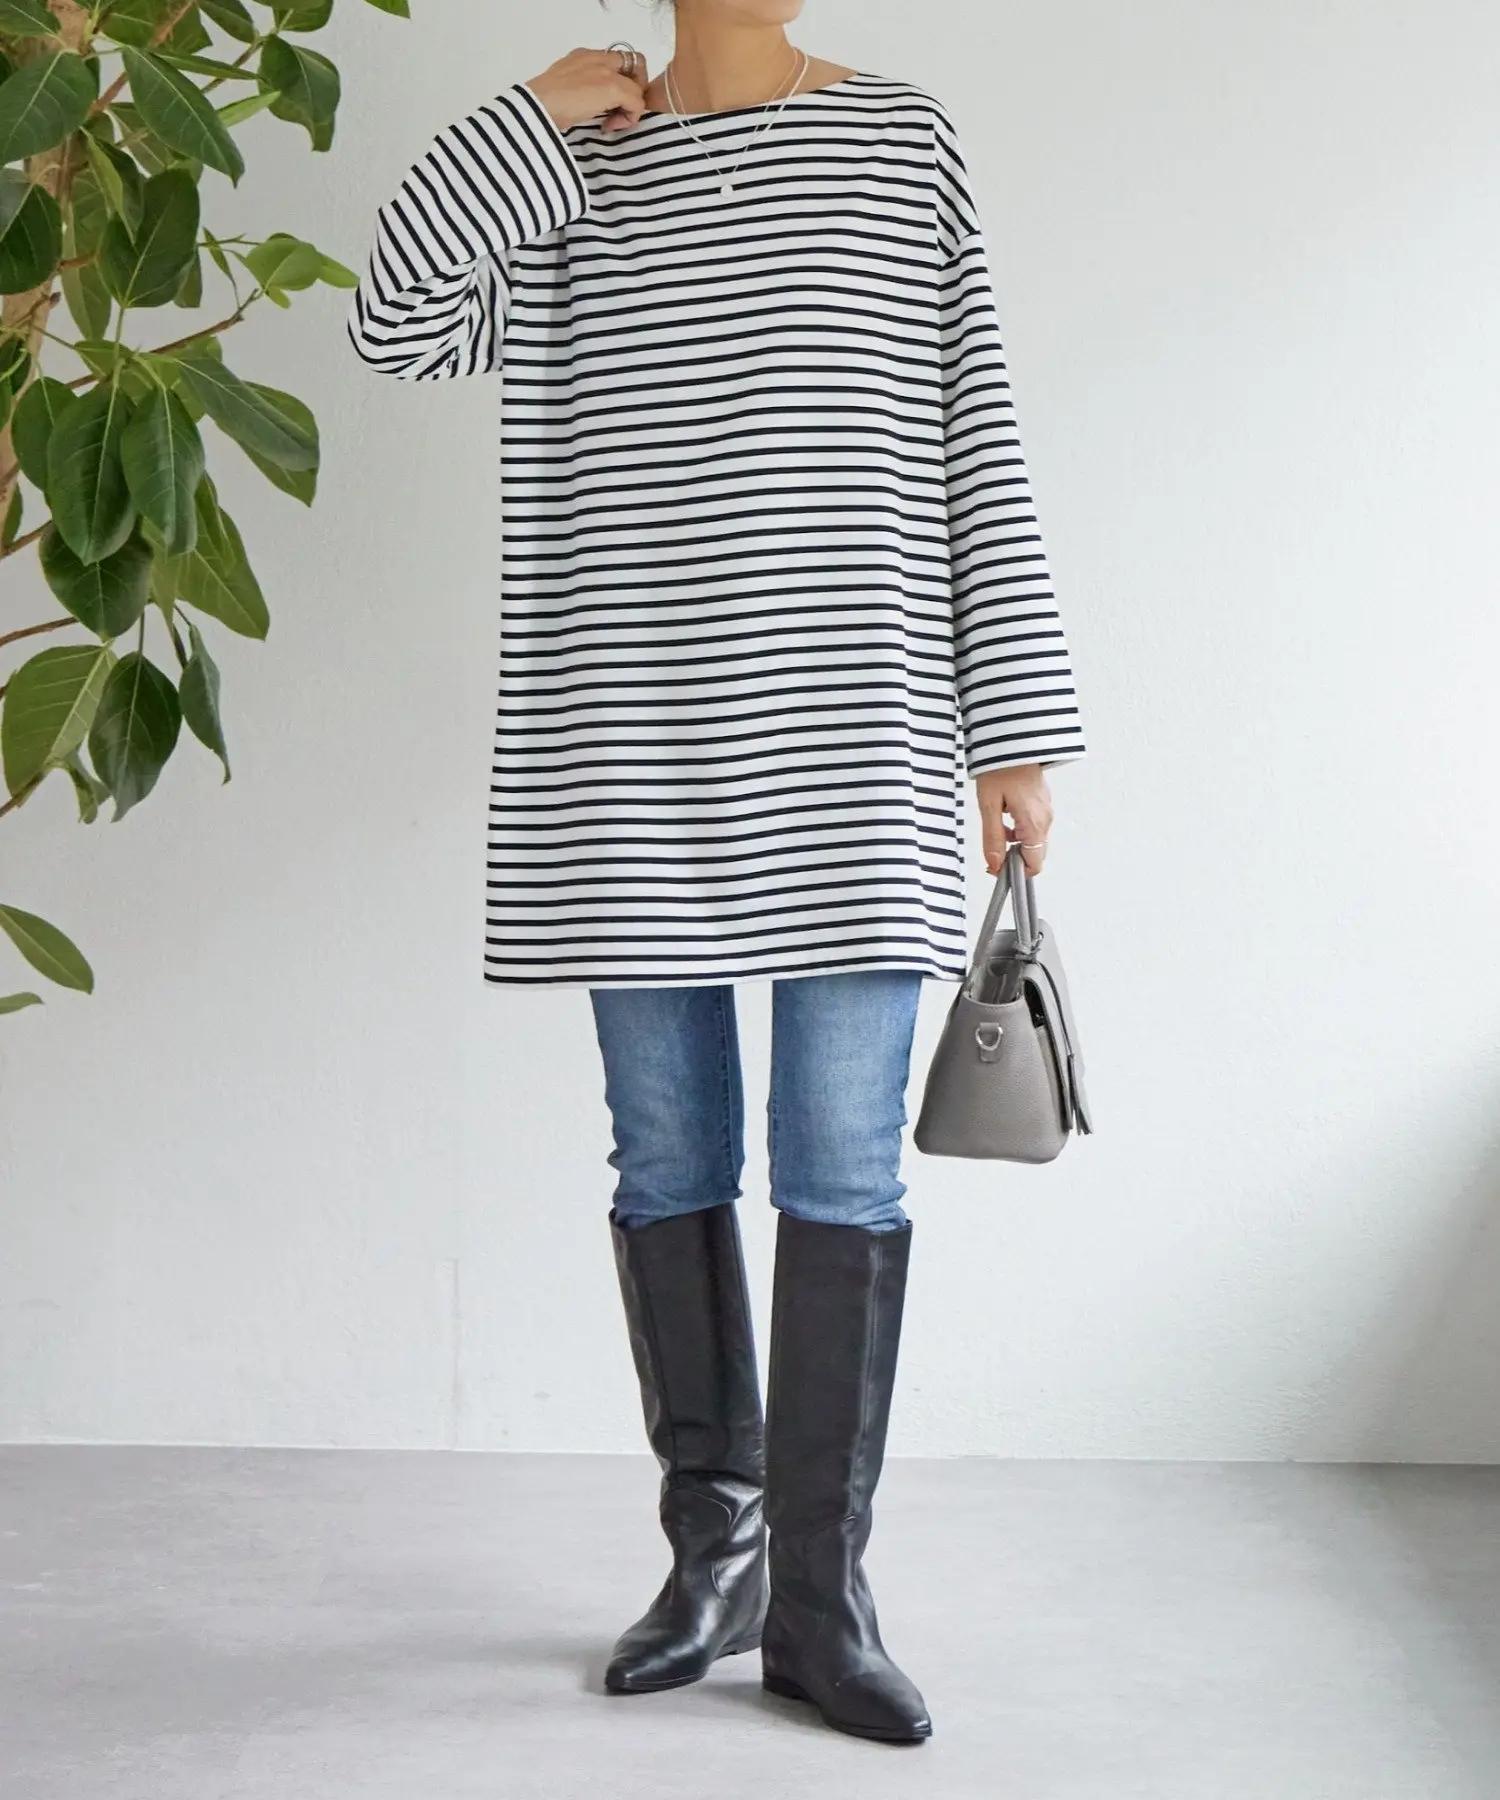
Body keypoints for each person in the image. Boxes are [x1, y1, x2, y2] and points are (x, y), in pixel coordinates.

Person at [347, 0, 1087, 1747]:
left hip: (853, 745)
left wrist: (1013, 729)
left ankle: (824, 1605)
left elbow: (974, 433)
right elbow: (393, 320)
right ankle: (720, 1557)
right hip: (629, 759)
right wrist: (526, 116)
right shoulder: (571, 168)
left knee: (843, 1172)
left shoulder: (899, 141)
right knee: (669, 1159)